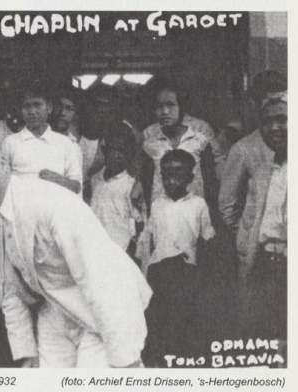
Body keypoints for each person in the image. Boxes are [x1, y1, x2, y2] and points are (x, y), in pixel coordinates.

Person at [0, 128, 152, 368]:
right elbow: (9, 289)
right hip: (56, 313)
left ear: (3, 163)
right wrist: (27, 352)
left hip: (110, 307)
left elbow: (100, 280)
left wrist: (124, 360)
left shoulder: (51, 203)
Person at [219, 95, 287, 341]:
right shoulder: (250, 152)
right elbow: (228, 206)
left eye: (283, 119)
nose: (274, 128)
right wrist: (247, 234)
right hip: (263, 258)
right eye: (267, 121)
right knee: (262, 332)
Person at [141, 150, 215, 367]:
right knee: (158, 325)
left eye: (178, 173)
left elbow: (206, 240)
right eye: (166, 174)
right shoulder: (156, 205)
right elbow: (151, 241)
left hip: (186, 274)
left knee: (183, 326)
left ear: (190, 178)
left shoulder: (199, 205)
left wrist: (201, 276)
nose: (171, 179)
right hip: (159, 275)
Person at [140, 79, 222, 210]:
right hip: (162, 213)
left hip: (193, 213)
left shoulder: (199, 141)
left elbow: (211, 186)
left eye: (171, 105)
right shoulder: (149, 144)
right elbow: (145, 185)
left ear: (181, 107)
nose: (165, 111)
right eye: (159, 106)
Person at [2, 84, 82, 194]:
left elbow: (77, 186)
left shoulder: (65, 144)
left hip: (54, 209)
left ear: (49, 107)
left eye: (37, 105)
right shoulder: (10, 142)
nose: (32, 112)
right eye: (27, 106)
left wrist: (59, 180)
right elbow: (1, 183)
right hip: (21, 209)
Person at [90, 123, 142, 258]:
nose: (118, 155)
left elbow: (138, 222)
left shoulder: (130, 185)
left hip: (119, 253)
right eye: (114, 149)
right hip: (93, 249)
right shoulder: (95, 181)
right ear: (105, 150)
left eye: (123, 151)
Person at [53, 89, 99, 187]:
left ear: (76, 115)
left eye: (69, 109)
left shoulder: (75, 148)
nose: (62, 113)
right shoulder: (40, 138)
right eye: (59, 106)